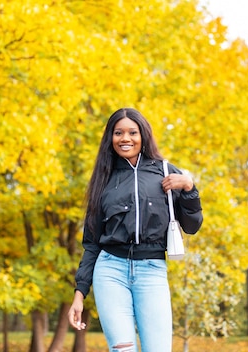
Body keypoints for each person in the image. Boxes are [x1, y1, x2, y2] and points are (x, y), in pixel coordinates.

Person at [67, 107, 203, 352]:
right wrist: (79, 293)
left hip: (152, 271)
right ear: (111, 138)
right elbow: (91, 243)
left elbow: (192, 226)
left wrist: (189, 188)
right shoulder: (103, 179)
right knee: (122, 350)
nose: (125, 138)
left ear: (143, 136)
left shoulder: (165, 171)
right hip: (110, 271)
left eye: (132, 132)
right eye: (118, 133)